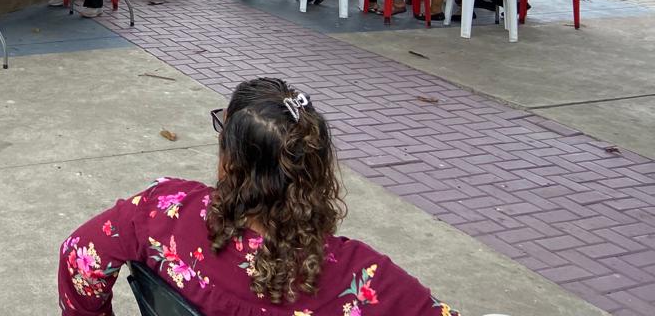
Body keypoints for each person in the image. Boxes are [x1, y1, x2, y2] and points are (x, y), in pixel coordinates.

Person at [59, 77, 462, 315]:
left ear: (230, 161)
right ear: (316, 172)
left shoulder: (165, 211)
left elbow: (79, 255)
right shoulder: (359, 276)